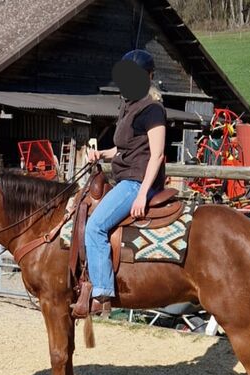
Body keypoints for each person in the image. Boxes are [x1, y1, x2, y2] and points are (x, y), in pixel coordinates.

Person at [85, 49, 167, 315]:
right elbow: (125, 149)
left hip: (136, 182)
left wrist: (142, 194)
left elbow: (157, 155)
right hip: (126, 177)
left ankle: (103, 292)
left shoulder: (153, 110)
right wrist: (102, 153)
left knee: (95, 226)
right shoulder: (128, 107)